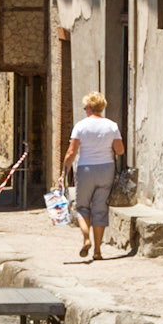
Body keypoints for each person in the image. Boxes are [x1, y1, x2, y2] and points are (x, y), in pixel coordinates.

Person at [60, 91, 125, 262]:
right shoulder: (112, 126)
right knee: (100, 209)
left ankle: (86, 238)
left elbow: (71, 152)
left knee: (82, 207)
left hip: (86, 169)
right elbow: (120, 150)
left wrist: (64, 170)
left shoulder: (80, 126)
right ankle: (97, 251)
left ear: (89, 107)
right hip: (106, 169)